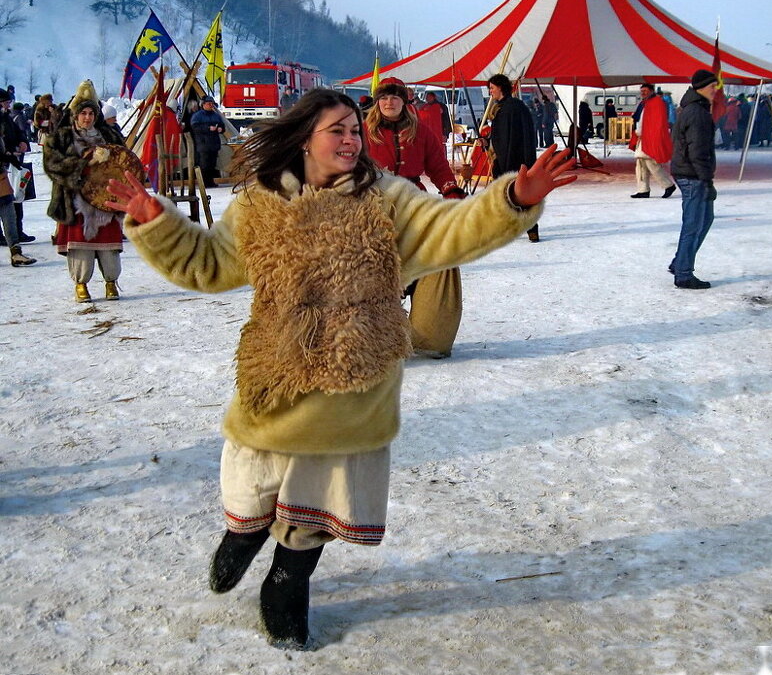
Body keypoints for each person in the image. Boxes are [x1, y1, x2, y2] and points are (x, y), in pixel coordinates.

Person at [104, 88, 575, 649]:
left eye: (356, 129)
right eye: (339, 130)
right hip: (277, 368)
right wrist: (155, 220)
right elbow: (208, 265)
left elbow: (454, 229)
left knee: (322, 492)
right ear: (305, 137)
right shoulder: (260, 204)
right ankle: (244, 531)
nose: (353, 140)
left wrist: (513, 199)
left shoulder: (388, 202)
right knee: (254, 475)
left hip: (355, 377)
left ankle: (288, 578)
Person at [365, 77, 467, 358]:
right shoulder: (362, 131)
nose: (389, 103)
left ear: (404, 101)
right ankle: (375, 338)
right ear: (378, 101)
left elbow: (438, 166)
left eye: (394, 98)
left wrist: (451, 191)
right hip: (372, 203)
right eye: (384, 98)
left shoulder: (421, 132)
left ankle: (428, 331)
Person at [43, 86, 126, 300]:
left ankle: (111, 281)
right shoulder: (61, 137)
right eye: (83, 113)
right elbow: (52, 164)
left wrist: (110, 160)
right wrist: (84, 164)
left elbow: (125, 162)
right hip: (75, 199)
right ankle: (81, 284)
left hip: (104, 200)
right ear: (75, 114)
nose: (87, 118)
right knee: (81, 248)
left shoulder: (108, 135)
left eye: (91, 113)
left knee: (109, 248)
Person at [670, 69, 718, 289]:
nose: (715, 90)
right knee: (693, 224)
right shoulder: (697, 113)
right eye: (712, 86)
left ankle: (680, 262)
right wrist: (706, 181)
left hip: (692, 174)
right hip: (693, 176)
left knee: (705, 219)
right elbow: (697, 152)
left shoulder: (693, 109)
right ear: (700, 88)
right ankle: (683, 273)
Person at [487, 73, 541, 242]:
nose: (490, 92)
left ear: (500, 87)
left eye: (492, 88)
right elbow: (499, 135)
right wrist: (486, 141)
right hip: (503, 158)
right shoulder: (500, 108)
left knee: (519, 195)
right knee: (504, 196)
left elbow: (521, 136)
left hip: (515, 158)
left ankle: (531, 228)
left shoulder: (514, 108)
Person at [0, 89, 37, 266]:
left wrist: (22, 141)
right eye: (5, 102)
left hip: (3, 171)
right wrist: (6, 153)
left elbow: (18, 132)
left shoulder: (5, 117)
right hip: (4, 165)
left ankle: (16, 251)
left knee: (9, 209)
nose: (7, 105)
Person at [629, 84, 675, 199]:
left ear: (651, 91)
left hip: (651, 137)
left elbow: (658, 123)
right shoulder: (644, 103)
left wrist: (652, 135)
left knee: (651, 163)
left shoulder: (657, 103)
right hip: (642, 137)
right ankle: (643, 190)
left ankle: (668, 185)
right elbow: (639, 119)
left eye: (645, 90)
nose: (643, 93)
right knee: (641, 164)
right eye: (641, 91)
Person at [190, 95, 225, 187]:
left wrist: (221, 129)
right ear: (203, 104)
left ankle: (210, 182)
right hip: (203, 144)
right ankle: (204, 183)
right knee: (204, 164)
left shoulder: (216, 115)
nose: (211, 105)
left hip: (214, 144)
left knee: (212, 164)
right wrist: (208, 128)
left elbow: (222, 125)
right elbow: (195, 127)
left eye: (212, 104)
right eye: (209, 104)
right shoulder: (197, 116)